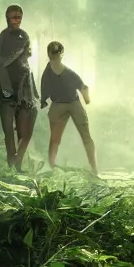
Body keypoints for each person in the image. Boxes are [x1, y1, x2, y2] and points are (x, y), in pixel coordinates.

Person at [40, 41, 97, 175]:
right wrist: (43, 101)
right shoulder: (47, 74)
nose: (54, 57)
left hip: (73, 103)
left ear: (61, 55)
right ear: (49, 54)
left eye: (56, 54)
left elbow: (83, 87)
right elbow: (44, 91)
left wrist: (87, 99)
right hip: (58, 104)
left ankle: (94, 167)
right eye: (52, 54)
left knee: (85, 136)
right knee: (55, 138)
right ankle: (51, 166)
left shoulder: (69, 73)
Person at [0, 4, 39, 171]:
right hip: (6, 84)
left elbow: (25, 55)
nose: (16, 20)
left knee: (24, 131)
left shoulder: (24, 35)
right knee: (8, 131)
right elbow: (2, 61)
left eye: (19, 17)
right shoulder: (4, 35)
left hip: (23, 86)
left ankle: (17, 163)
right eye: (13, 17)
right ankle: (11, 164)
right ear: (7, 17)